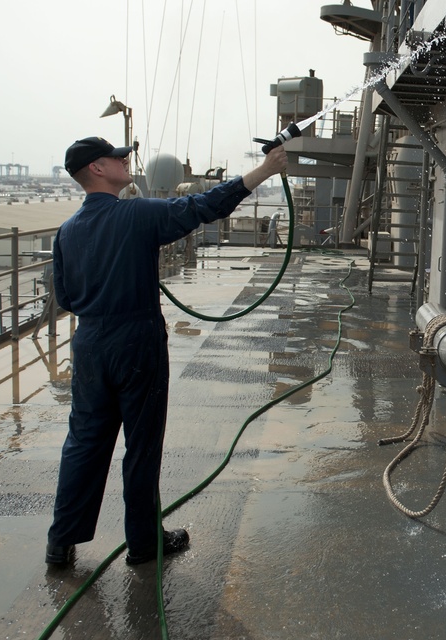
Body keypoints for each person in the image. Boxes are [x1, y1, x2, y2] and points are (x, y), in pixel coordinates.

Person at [45, 136, 287, 566]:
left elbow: (64, 298)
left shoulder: (66, 232)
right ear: (98, 169)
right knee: (141, 444)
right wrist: (263, 172)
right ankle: (143, 543)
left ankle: (61, 543)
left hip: (88, 344)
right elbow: (202, 207)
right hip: (135, 340)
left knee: (84, 442)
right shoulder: (135, 214)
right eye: (117, 157)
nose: (125, 160)